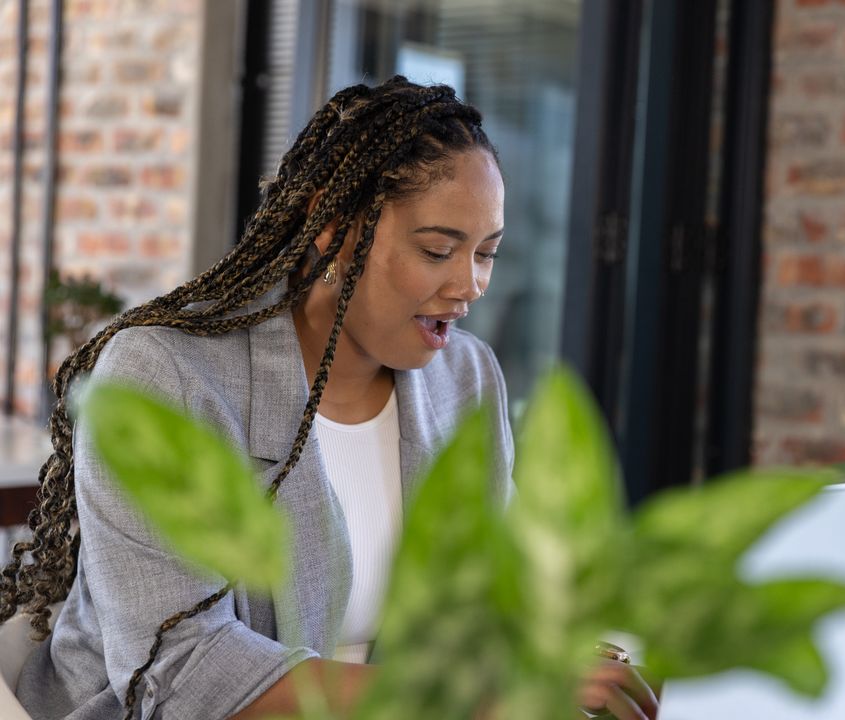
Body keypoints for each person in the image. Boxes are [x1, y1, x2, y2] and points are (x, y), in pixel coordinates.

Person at [0, 77, 658, 719]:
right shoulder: (165, 378)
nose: (470, 285)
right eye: (437, 250)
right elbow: (180, 672)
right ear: (334, 227)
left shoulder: (467, 380)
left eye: (486, 253)